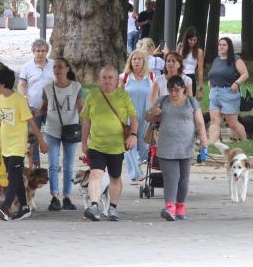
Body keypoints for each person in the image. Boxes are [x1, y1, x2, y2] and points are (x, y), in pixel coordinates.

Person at [0, 67, 47, 221]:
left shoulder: (19, 100)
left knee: (13, 178)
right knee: (15, 177)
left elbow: (31, 122)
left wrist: (42, 141)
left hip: (17, 146)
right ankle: (24, 208)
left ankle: (5, 207)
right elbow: (4, 118)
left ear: (2, 84)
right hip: (5, 145)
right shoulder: (0, 99)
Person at [80, 66, 138, 222]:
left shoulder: (123, 96)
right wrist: (84, 142)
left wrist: (133, 135)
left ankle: (113, 207)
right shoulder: (93, 95)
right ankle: (94, 206)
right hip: (97, 145)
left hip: (116, 146)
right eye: (104, 77)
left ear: (117, 80)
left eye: (111, 77)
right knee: (95, 174)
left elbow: (134, 118)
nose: (107, 81)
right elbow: (86, 120)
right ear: (100, 79)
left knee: (115, 177)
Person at [145, 75, 208, 221]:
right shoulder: (162, 101)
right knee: (171, 177)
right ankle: (170, 207)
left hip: (186, 146)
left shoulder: (191, 102)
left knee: (183, 179)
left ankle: (180, 206)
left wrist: (204, 144)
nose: (173, 93)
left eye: (176, 90)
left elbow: (200, 124)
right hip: (166, 146)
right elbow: (147, 117)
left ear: (183, 89)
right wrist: (153, 111)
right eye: (170, 90)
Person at [39, 57, 83, 211]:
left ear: (67, 69)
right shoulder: (47, 87)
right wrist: (33, 114)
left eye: (60, 67)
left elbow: (81, 109)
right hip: (52, 129)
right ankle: (54, 196)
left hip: (71, 129)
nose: (57, 70)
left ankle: (67, 197)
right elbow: (44, 108)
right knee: (52, 164)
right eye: (55, 67)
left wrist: (88, 127)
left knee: (68, 164)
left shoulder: (76, 87)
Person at [119, 49, 154, 183]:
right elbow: (118, 96)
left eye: (140, 59)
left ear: (144, 62)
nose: (137, 61)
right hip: (129, 116)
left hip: (146, 116)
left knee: (145, 147)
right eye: (134, 59)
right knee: (130, 145)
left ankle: (137, 163)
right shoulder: (124, 77)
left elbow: (156, 95)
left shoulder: (151, 76)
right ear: (130, 61)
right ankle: (135, 173)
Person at [18, 39, 54, 168]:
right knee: (33, 139)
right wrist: (24, 96)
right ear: (33, 52)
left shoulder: (54, 65)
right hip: (33, 107)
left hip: (51, 108)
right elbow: (21, 84)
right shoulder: (27, 66)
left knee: (53, 137)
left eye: (43, 51)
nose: (40, 53)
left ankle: (53, 164)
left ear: (47, 52)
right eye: (38, 51)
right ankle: (35, 166)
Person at [207, 37, 249, 143]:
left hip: (229, 94)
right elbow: (214, 74)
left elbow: (245, 74)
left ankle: (245, 141)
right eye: (220, 45)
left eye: (224, 45)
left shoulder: (235, 59)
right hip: (215, 93)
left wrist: (236, 83)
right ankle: (211, 143)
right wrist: (210, 81)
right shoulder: (216, 60)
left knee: (232, 123)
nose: (221, 47)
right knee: (214, 121)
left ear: (229, 47)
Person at [177, 27, 205, 100]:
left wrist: (200, 88)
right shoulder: (181, 49)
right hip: (179, 76)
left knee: (189, 101)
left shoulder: (199, 52)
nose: (193, 42)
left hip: (190, 77)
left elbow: (200, 71)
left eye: (195, 40)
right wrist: (178, 49)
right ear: (186, 39)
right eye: (191, 39)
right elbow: (176, 63)